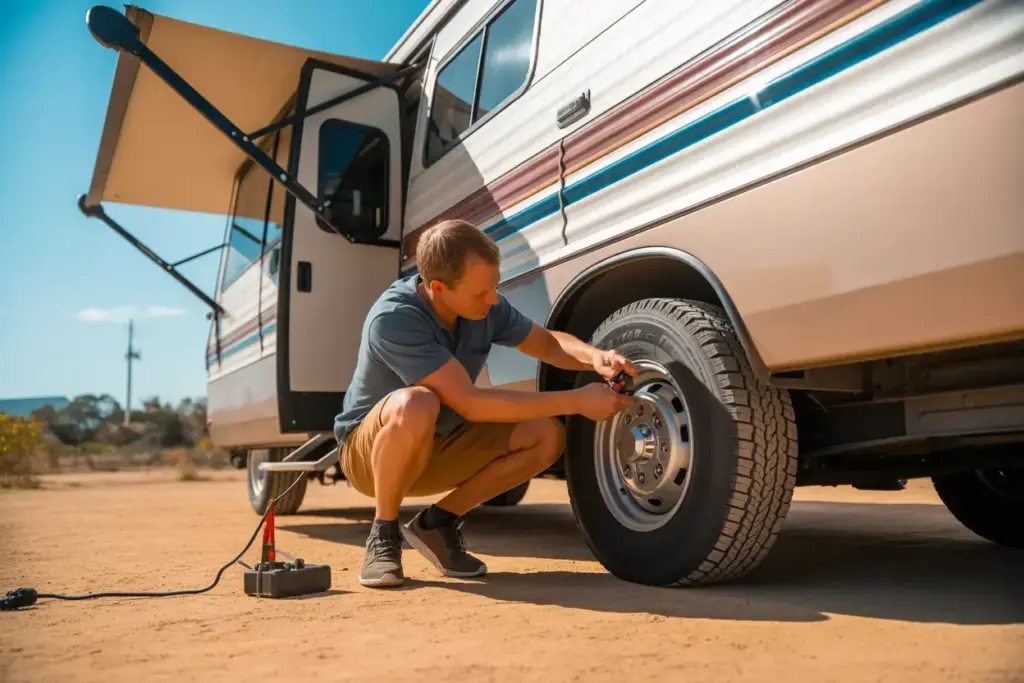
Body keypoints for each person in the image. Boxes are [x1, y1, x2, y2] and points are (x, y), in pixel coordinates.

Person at [334, 219, 636, 587]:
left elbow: (547, 344)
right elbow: (472, 403)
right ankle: (383, 535)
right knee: (417, 403)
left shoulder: (483, 305)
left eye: (493, 288)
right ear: (438, 288)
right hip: (370, 457)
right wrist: (576, 400)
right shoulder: (395, 319)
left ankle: (437, 524)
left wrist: (594, 357)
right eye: (481, 293)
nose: (492, 300)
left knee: (546, 435)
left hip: (441, 445)